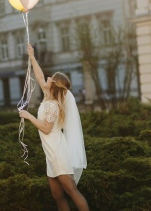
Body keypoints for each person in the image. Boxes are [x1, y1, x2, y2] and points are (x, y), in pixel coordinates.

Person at [19, 44, 89, 211]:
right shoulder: (47, 96)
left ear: (54, 85)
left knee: (71, 190)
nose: (48, 78)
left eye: (51, 78)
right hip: (51, 153)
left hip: (58, 152)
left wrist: (29, 116)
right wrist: (32, 56)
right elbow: (39, 76)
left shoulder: (53, 106)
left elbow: (46, 128)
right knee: (57, 195)